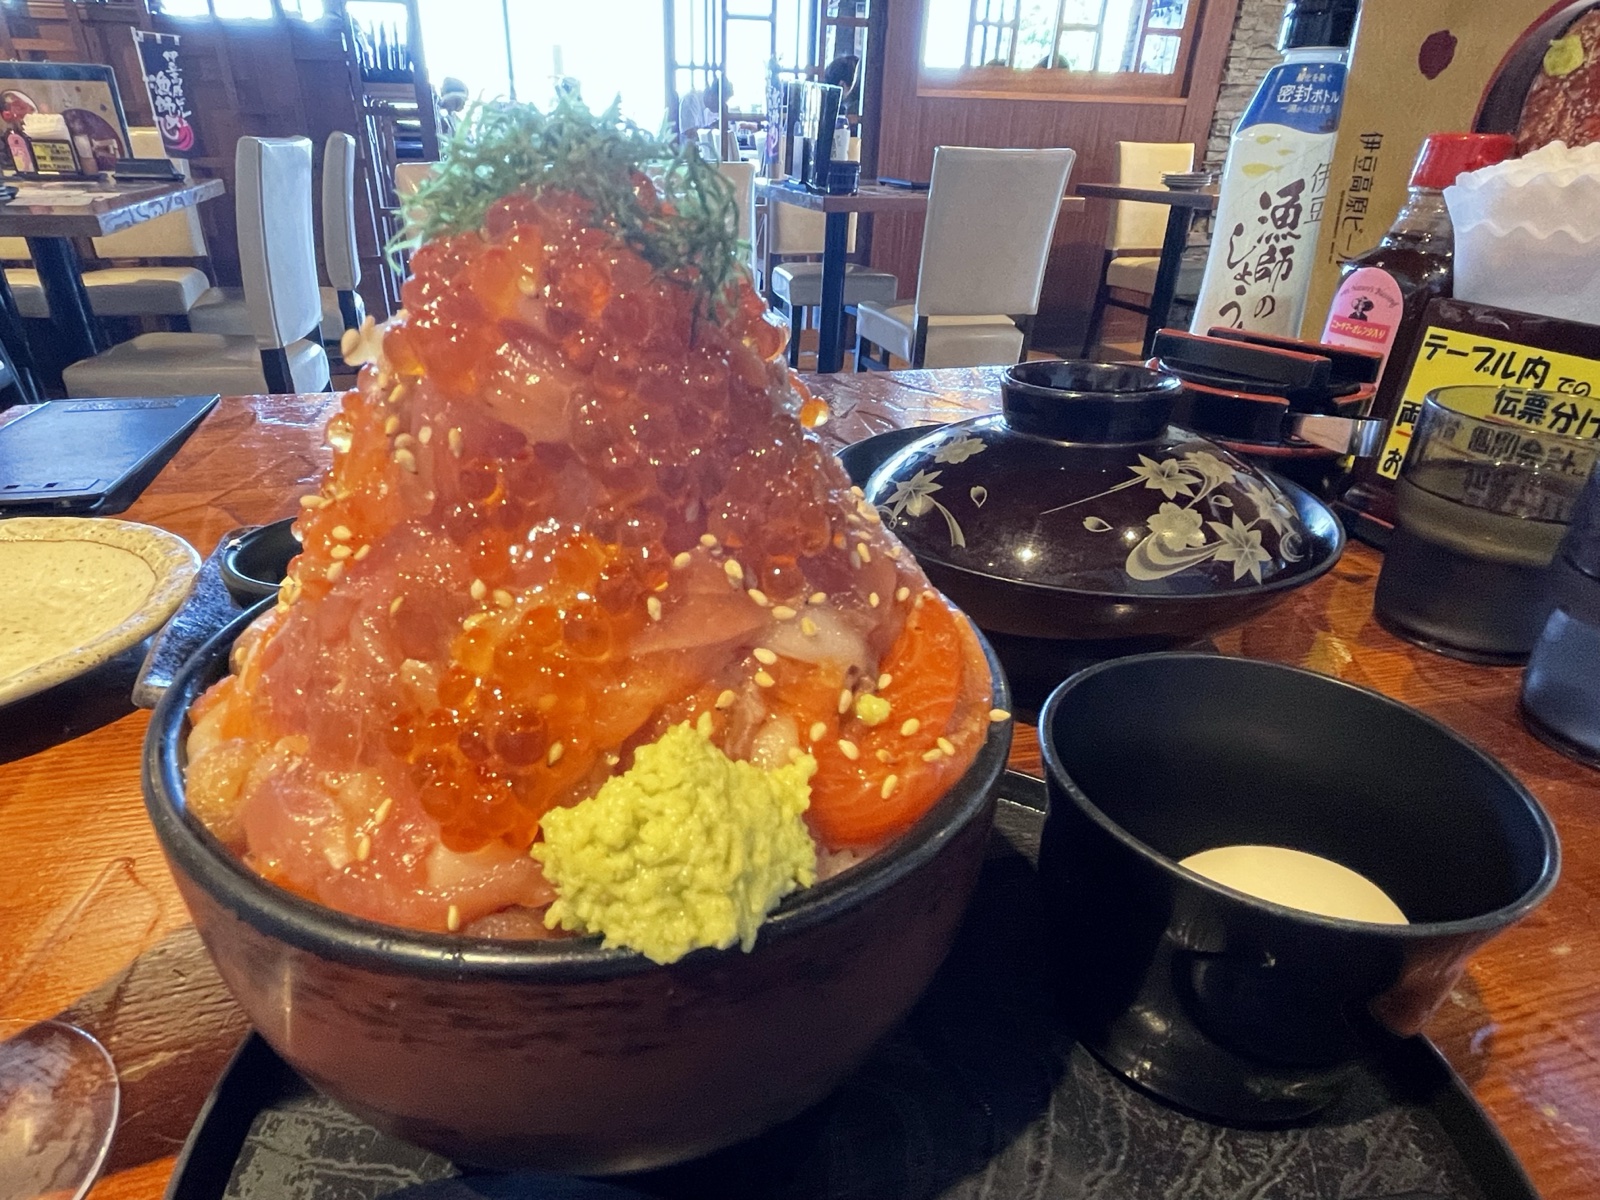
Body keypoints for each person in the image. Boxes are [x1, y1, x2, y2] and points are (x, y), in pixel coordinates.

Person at [679, 76, 731, 146]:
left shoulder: (706, 109)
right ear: (712, 95)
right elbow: (690, 134)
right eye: (721, 102)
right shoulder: (691, 100)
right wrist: (714, 127)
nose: (720, 107)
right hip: (685, 153)